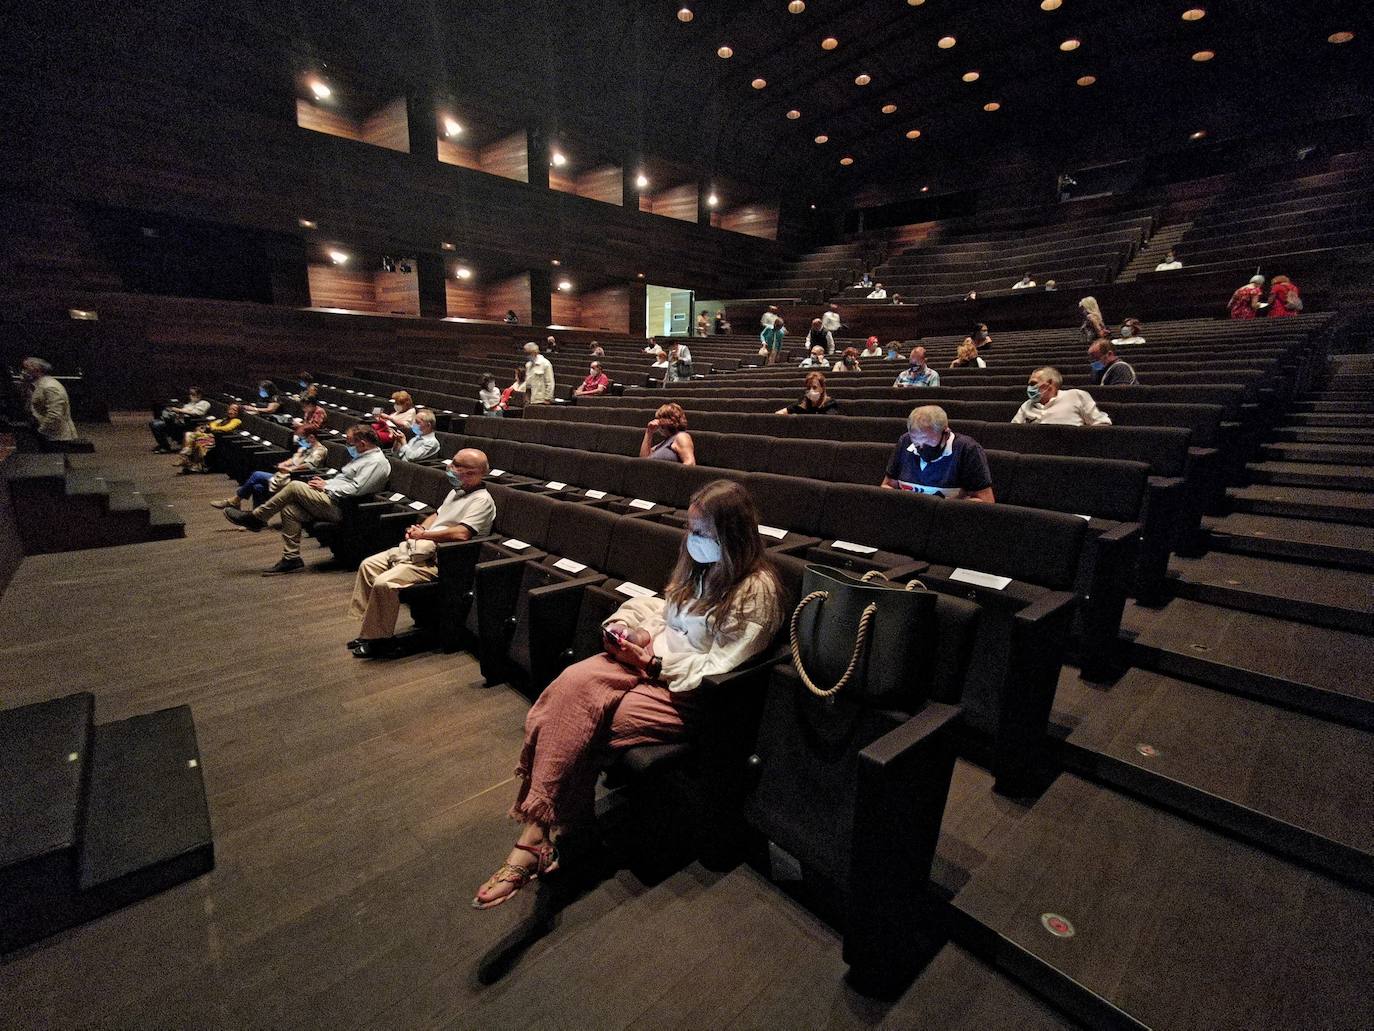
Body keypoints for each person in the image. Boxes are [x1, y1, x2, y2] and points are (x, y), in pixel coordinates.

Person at [472, 479, 784, 909]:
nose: (692, 540)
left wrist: (655, 665)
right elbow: (664, 611)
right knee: (563, 691)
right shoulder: (696, 566)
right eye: (690, 530)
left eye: (702, 533)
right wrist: (634, 632)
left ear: (733, 535)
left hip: (688, 693)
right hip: (645, 663)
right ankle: (558, 831)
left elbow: (721, 667)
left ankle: (542, 832)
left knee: (584, 721)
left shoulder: (757, 590)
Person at [346, 448, 497, 658]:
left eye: (455, 464)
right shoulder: (457, 491)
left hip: (441, 560)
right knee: (368, 565)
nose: (449, 468)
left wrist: (424, 537)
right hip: (421, 549)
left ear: (472, 473)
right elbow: (437, 515)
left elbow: (463, 534)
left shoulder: (482, 500)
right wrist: (422, 530)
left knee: (384, 583)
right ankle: (368, 629)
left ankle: (379, 640)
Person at [224, 424, 391, 575]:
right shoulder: (363, 457)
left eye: (349, 442)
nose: (347, 446)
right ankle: (291, 558)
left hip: (346, 508)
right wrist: (327, 482)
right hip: (332, 499)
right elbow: (345, 480)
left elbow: (357, 489)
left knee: (295, 486)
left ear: (362, 443)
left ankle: (258, 518)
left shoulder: (376, 462)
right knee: (290, 510)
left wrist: (326, 487)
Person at [882, 405, 995, 501]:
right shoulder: (905, 441)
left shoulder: (967, 449)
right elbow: (887, 485)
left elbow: (986, 501)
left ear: (945, 434)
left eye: (928, 443)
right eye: (916, 443)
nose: (922, 448)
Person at [212, 424, 328, 509]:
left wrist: (291, 468)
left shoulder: (320, 450)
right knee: (258, 487)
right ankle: (256, 519)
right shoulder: (304, 447)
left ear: (312, 437)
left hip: (298, 479)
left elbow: (310, 465)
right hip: (285, 476)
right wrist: (285, 464)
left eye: (302, 438)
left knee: (257, 474)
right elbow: (293, 459)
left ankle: (236, 500)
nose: (300, 441)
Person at [1013, 367, 1111, 426]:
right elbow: (1014, 432)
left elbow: (1102, 423)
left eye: (1033, 383)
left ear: (1050, 383)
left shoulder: (1076, 396)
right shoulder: (1026, 405)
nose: (1029, 388)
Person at [177, 403, 242, 473]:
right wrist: (210, 427)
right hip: (211, 437)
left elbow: (226, 428)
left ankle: (187, 459)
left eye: (234, 410)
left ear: (238, 412)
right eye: (230, 409)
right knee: (188, 434)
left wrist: (212, 427)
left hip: (219, 440)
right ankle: (186, 457)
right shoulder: (224, 419)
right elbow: (212, 424)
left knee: (196, 440)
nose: (231, 411)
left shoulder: (236, 421)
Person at [149, 387, 211, 453]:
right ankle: (164, 445)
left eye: (193, 394)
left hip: (189, 423)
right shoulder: (190, 403)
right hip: (180, 421)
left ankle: (165, 447)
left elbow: (196, 413)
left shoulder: (204, 403)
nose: (190, 396)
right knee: (155, 422)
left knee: (157, 424)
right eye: (190, 394)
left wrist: (178, 410)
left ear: (199, 395)